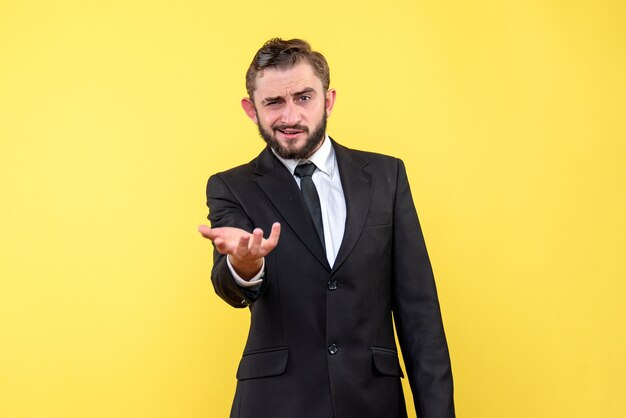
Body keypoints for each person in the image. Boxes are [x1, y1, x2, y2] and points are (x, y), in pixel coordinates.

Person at [198, 38, 455, 418]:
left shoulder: (387, 176)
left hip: (373, 403)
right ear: (251, 110)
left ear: (328, 100)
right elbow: (230, 282)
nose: (290, 116)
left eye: (303, 97)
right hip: (275, 405)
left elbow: (420, 315)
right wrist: (245, 266)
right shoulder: (231, 186)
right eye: (273, 102)